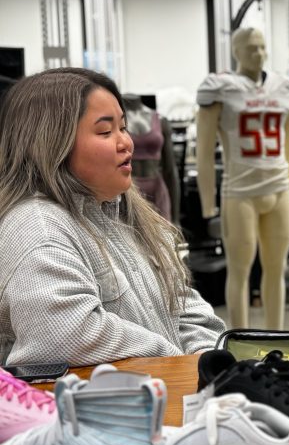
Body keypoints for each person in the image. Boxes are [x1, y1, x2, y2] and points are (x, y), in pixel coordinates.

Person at [0, 68, 226, 367]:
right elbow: (64, 335)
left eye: (123, 127)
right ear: (52, 142)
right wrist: (178, 361)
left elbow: (185, 307)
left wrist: (208, 363)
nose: (126, 143)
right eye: (106, 132)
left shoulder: (125, 213)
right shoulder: (39, 229)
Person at [196, 27, 289, 330]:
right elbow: (204, 150)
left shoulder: (283, 87)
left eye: (261, 47)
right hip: (240, 191)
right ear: (236, 52)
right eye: (250, 48)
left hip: (279, 187)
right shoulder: (221, 88)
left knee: (276, 269)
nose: (258, 54)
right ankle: (239, 339)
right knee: (239, 272)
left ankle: (276, 337)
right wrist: (208, 202)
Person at [123, 93, 180, 223]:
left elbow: (170, 169)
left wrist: (176, 218)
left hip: (157, 189)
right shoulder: (115, 121)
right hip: (128, 190)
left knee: (164, 233)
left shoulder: (161, 120)